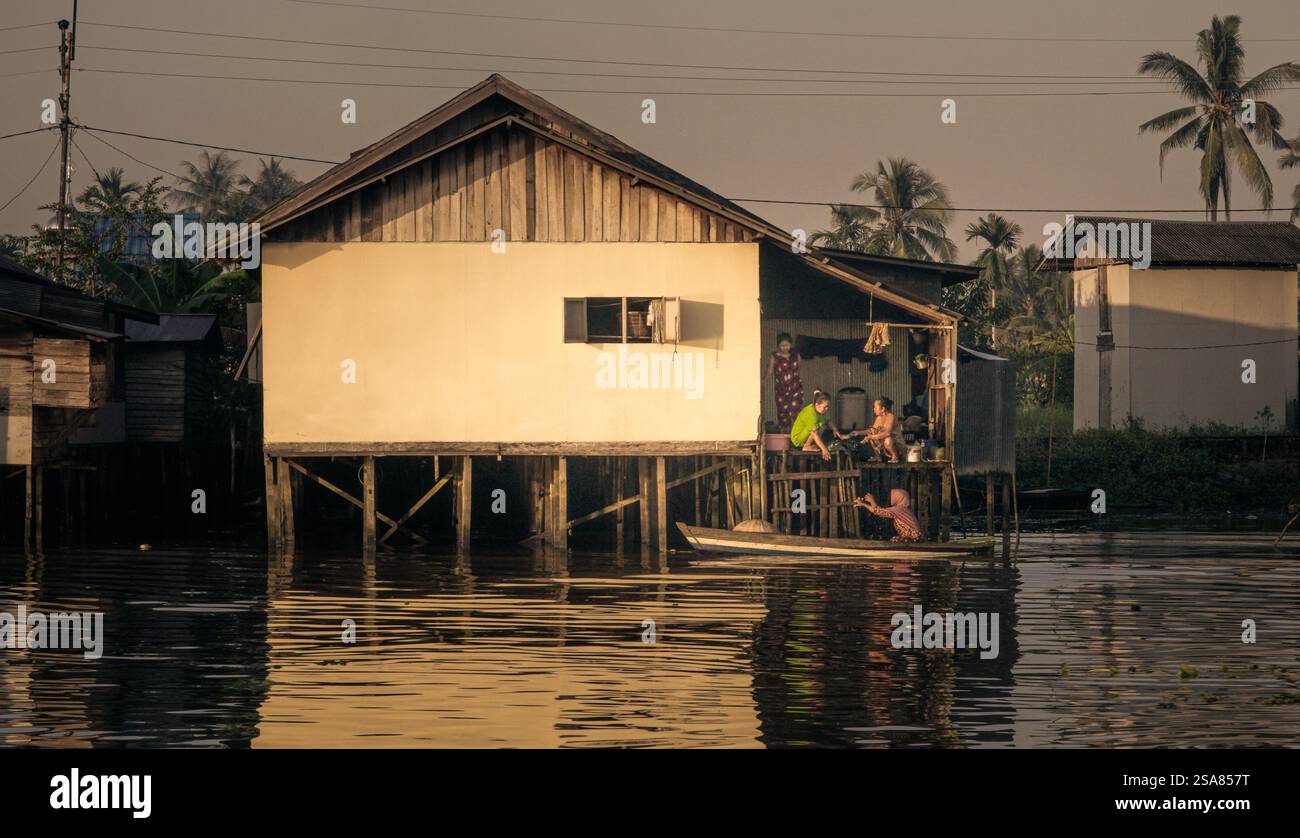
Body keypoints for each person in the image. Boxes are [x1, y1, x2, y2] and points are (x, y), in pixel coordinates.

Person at [789, 389, 853, 461]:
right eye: (825, 407)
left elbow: (828, 421)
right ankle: (807, 446)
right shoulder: (810, 414)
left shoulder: (822, 411)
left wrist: (836, 431)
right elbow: (814, 433)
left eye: (827, 407)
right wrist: (824, 450)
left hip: (807, 436)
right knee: (815, 428)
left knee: (820, 425)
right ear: (817, 405)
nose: (826, 409)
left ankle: (809, 445)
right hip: (798, 439)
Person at [766, 332, 803, 433]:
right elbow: (769, 371)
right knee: (783, 415)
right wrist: (763, 381)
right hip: (781, 391)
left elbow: (798, 370)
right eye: (782, 345)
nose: (785, 347)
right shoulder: (774, 356)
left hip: (795, 390)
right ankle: (783, 442)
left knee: (794, 415)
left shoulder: (796, 356)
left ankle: (794, 439)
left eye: (787, 345)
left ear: (790, 344)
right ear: (778, 345)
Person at [855, 489, 923, 542]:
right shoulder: (904, 510)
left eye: (893, 496)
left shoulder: (899, 510)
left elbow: (878, 511)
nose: (891, 499)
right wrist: (870, 502)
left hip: (913, 539)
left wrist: (865, 504)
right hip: (915, 538)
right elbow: (879, 510)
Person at [862, 397, 905, 463]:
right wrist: (856, 432)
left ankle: (895, 456)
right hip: (884, 446)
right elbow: (872, 430)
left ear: (883, 409)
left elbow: (887, 433)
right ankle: (878, 456)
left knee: (887, 440)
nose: (874, 409)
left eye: (875, 407)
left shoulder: (891, 417)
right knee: (872, 433)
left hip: (897, 446)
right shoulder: (879, 418)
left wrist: (870, 437)